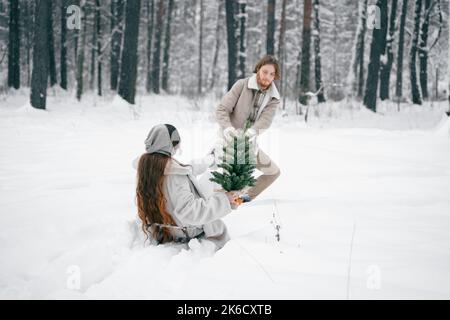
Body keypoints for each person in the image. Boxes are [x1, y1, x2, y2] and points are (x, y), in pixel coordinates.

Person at [135, 124, 240, 250]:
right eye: (177, 142)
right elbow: (190, 212)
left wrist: (209, 159)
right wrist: (224, 200)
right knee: (209, 178)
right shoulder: (175, 176)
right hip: (184, 232)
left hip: (163, 228)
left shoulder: (148, 166)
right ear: (172, 144)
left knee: (202, 177)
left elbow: (186, 169)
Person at [215, 55, 282, 201]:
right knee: (228, 180)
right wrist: (227, 128)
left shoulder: (274, 98)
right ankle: (221, 201)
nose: (267, 77)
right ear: (258, 69)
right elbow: (222, 109)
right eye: (265, 72)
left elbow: (266, 119)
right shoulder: (242, 85)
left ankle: (245, 196)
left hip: (249, 144)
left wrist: (253, 131)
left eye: (272, 74)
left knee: (273, 172)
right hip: (229, 143)